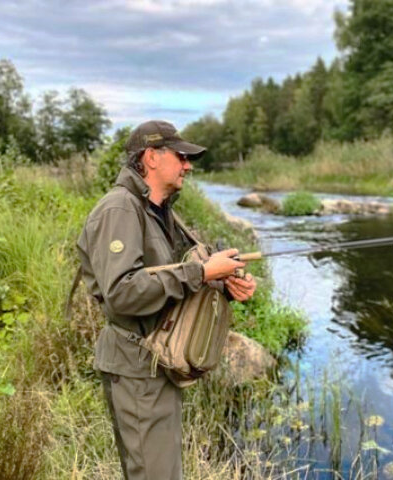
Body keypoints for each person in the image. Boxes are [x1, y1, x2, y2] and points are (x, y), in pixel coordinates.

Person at [76, 120, 257, 480]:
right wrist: (203, 273)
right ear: (151, 158)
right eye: (181, 156)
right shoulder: (120, 210)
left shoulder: (160, 211)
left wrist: (224, 285)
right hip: (137, 368)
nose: (188, 165)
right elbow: (122, 293)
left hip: (158, 364)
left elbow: (172, 278)